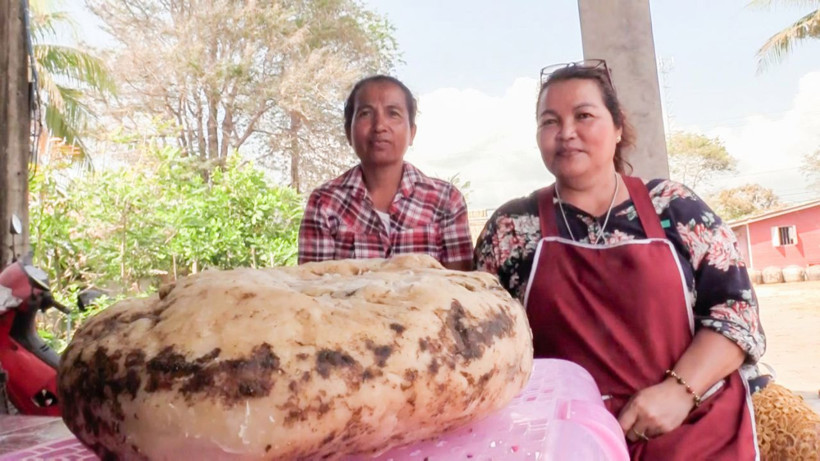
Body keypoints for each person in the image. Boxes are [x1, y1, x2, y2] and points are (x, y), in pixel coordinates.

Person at [474, 60, 764, 459]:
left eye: (584, 115)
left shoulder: (674, 207)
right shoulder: (510, 229)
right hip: (566, 443)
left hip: (693, 426)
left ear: (617, 127)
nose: (567, 133)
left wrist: (679, 392)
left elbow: (736, 316)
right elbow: (481, 346)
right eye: (549, 121)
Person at [298, 75, 473, 270]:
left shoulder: (446, 201)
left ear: (412, 132)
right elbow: (312, 288)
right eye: (365, 113)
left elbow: (462, 288)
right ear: (348, 132)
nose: (380, 126)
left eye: (393, 113)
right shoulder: (324, 203)